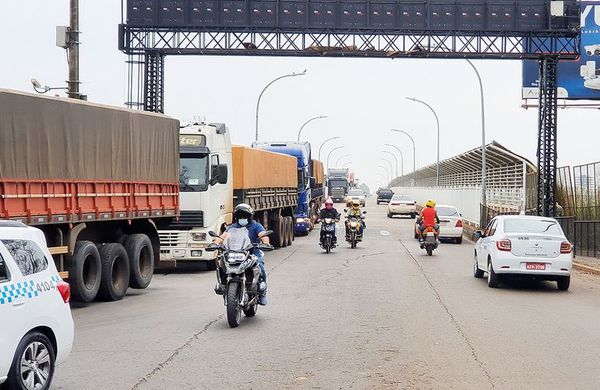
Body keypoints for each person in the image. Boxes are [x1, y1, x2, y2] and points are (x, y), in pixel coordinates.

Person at [215, 203, 271, 305]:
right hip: (235, 252)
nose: (242, 218)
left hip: (252, 253)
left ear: (250, 216)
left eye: (244, 216)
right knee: (221, 263)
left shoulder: (256, 226)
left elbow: (263, 234)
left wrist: (265, 243)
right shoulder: (233, 227)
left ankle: (262, 291)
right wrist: (215, 243)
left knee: (260, 265)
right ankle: (222, 285)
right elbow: (223, 236)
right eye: (240, 216)